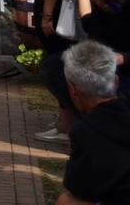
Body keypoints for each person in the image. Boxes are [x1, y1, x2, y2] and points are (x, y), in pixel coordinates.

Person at [55, 40, 130, 205]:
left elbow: (79, 192)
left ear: (73, 89)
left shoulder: (87, 131)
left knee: (66, 201)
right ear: (116, 80)